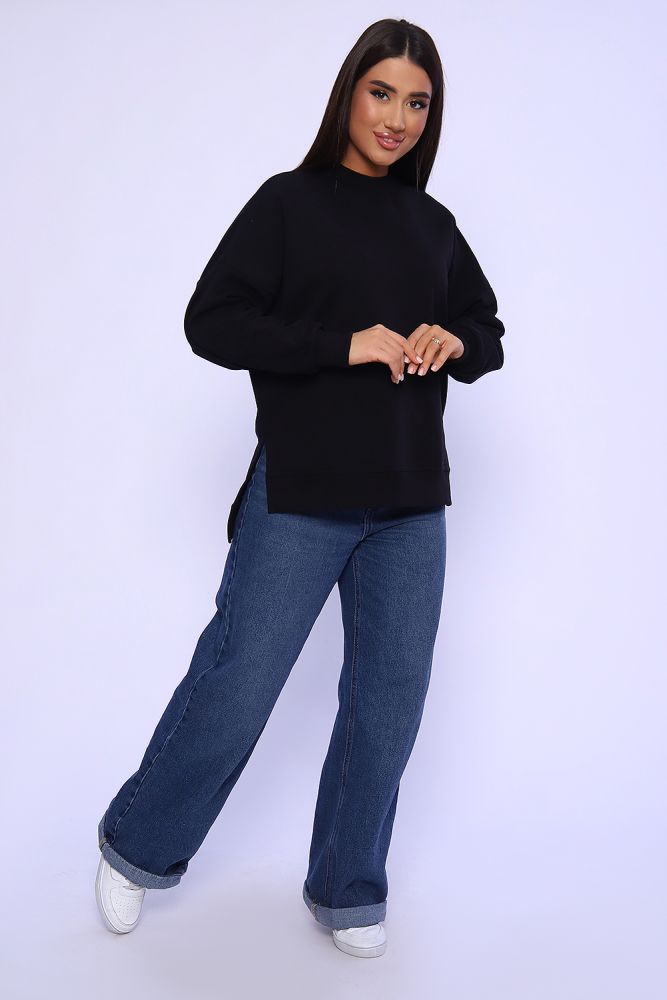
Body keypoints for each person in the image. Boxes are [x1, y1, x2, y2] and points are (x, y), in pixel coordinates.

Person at [95, 17, 505, 960]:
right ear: (347, 93)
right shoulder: (288, 203)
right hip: (302, 491)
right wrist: (342, 344)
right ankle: (136, 846)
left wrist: (455, 340)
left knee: (387, 704)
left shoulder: (433, 224)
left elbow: (486, 329)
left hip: (410, 503)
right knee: (238, 684)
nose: (397, 118)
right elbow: (211, 321)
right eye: (381, 93)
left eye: (417, 103)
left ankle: (346, 890)